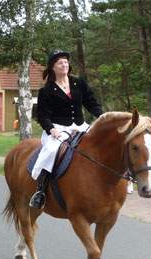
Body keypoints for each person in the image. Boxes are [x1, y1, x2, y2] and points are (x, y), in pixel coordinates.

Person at [29, 50, 104, 209]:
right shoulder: (46, 91)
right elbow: (43, 115)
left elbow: (91, 103)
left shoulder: (79, 83)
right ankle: (40, 191)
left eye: (66, 62)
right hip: (58, 129)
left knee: (102, 145)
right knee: (50, 151)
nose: (64, 64)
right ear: (53, 67)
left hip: (80, 127)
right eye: (60, 63)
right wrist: (51, 129)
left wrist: (102, 116)